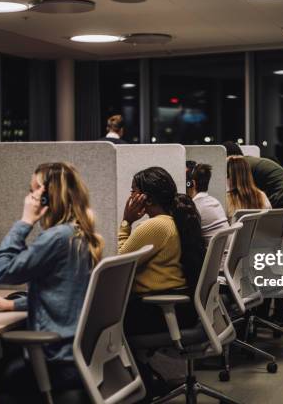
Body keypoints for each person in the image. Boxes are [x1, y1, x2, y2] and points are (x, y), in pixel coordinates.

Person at [0, 162, 104, 402]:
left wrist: (24, 222)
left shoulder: (57, 237)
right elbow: (69, 295)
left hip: (56, 358)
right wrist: (14, 305)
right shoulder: (77, 233)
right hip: (77, 352)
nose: (29, 197)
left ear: (46, 197)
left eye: (33, 191)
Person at [118, 167, 205, 400]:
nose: (130, 197)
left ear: (145, 197)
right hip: (179, 308)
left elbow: (120, 264)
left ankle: (144, 386)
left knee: (103, 327)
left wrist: (126, 221)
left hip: (164, 310)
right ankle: (147, 381)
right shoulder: (172, 220)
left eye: (133, 191)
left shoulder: (155, 226)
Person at [223, 141, 283, 328]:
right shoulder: (251, 164)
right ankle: (273, 311)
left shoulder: (240, 165)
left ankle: (274, 312)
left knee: (272, 252)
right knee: (276, 252)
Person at [186, 161, 229, 246]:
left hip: (214, 258)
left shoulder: (195, 208)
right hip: (224, 256)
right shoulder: (214, 202)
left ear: (191, 184)